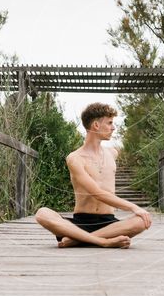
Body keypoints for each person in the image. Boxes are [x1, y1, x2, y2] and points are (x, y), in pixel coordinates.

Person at [34, 102, 152, 248]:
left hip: (108, 223)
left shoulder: (112, 153)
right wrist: (134, 207)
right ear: (96, 125)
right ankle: (102, 241)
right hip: (80, 222)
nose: (113, 127)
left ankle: (78, 240)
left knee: (141, 221)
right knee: (42, 213)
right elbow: (97, 193)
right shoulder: (75, 158)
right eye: (109, 123)